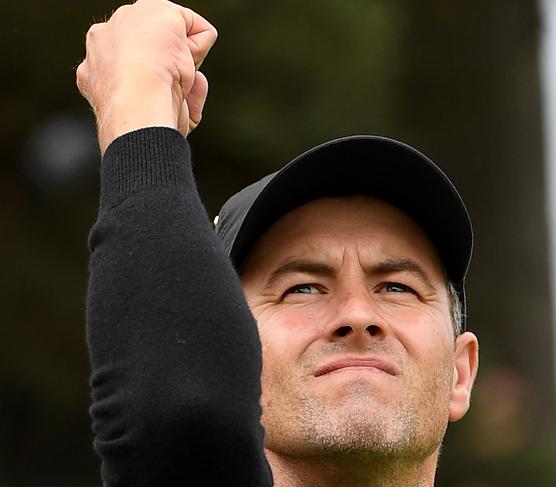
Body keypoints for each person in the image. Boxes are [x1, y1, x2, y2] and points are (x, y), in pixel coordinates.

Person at [77, 0, 479, 485]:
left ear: (461, 372)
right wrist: (137, 107)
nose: (357, 315)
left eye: (396, 287)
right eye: (303, 288)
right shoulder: (197, 386)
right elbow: (179, 416)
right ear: (230, 353)